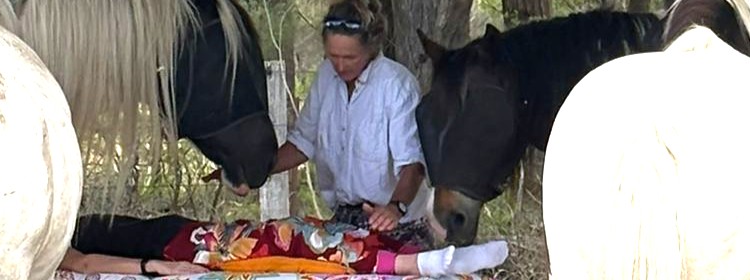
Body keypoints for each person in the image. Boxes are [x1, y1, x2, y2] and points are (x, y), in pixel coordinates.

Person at [202, 0, 435, 249]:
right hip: (345, 223)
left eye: (350, 57)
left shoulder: (397, 85)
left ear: (371, 48)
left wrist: (394, 208)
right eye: (333, 56)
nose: (341, 65)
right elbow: (304, 143)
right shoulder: (326, 76)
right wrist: (250, 170)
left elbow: (412, 164)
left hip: (400, 227)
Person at [59, 214, 508, 276]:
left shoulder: (32, 244)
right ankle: (416, 266)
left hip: (176, 250)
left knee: (285, 237)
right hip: (171, 267)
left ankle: (419, 263)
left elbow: (78, 259)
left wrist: (153, 267)